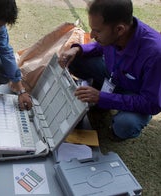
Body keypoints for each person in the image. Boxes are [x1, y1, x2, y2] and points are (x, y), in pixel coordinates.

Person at [59, 0, 161, 140]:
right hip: (113, 77)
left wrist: (102, 98)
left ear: (119, 29)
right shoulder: (117, 33)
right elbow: (100, 47)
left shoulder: (155, 54)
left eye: (97, 30)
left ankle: (115, 131)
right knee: (74, 58)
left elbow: (152, 104)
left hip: (136, 95)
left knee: (125, 124)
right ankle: (97, 93)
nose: (92, 35)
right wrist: (78, 49)